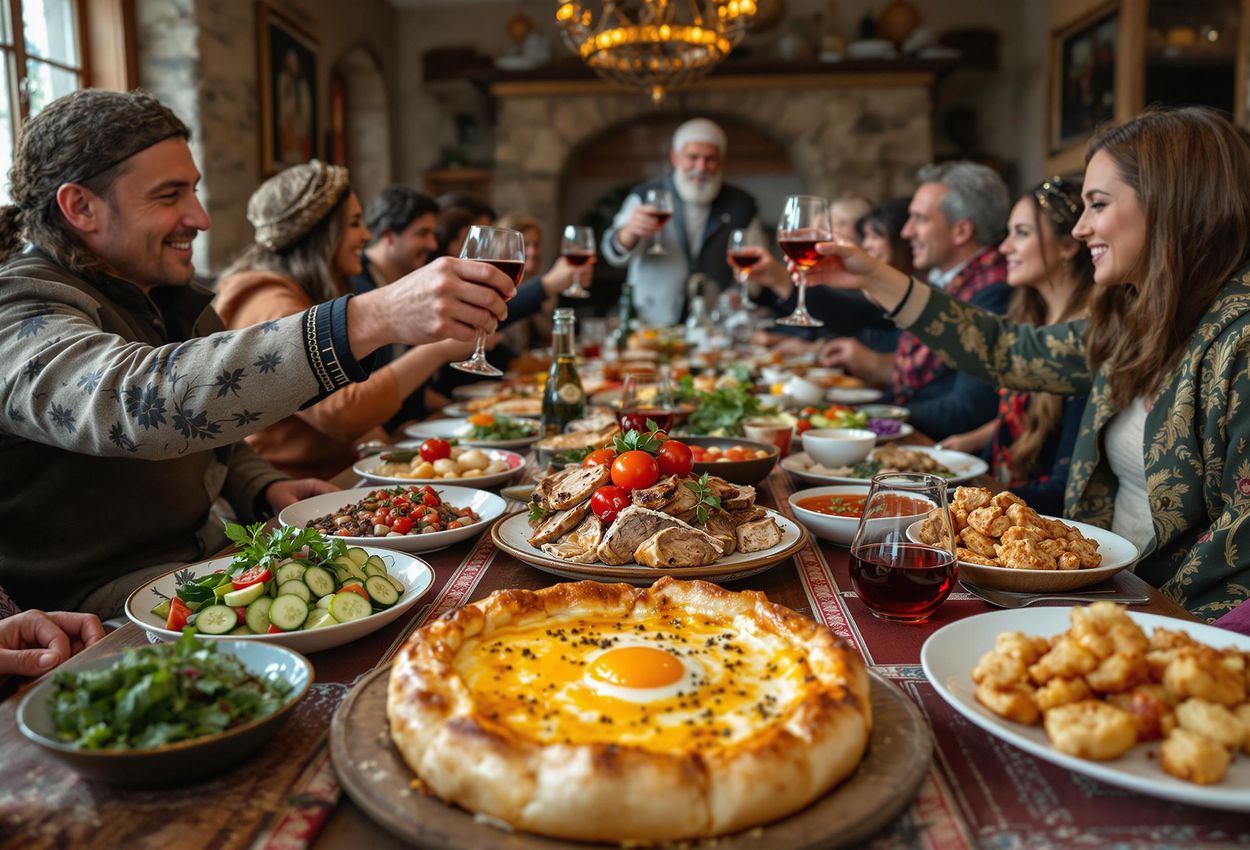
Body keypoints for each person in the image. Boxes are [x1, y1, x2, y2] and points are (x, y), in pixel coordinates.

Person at [0, 90, 515, 616]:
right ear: (80, 206)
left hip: (213, 558)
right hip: (93, 611)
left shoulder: (162, 294)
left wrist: (262, 486)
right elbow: (133, 401)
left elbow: (212, 436)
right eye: (169, 195)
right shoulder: (18, 304)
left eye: (194, 191)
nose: (200, 218)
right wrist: (369, 317)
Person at [801, 106, 1250, 622]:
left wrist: (1155, 628)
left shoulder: (1239, 340)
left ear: (1174, 205)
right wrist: (871, 275)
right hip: (1090, 593)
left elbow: (1238, 560)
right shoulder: (1137, 318)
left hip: (1163, 622)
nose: (1080, 229)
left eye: (1097, 205)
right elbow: (1004, 351)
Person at [215, 162, 477, 479]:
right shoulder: (269, 302)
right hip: (292, 491)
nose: (366, 235)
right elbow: (343, 413)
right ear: (320, 233)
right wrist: (438, 350)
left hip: (334, 474)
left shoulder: (300, 292)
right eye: (354, 223)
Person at [819, 161, 1012, 440]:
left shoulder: (994, 290)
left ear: (961, 231)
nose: (906, 231)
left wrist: (867, 416)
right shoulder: (950, 282)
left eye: (920, 219)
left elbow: (967, 410)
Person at [939, 178, 1095, 516]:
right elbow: (1029, 413)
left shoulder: (1082, 343)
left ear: (1068, 246)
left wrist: (973, 503)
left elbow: (1061, 489)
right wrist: (971, 440)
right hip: (1002, 490)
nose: (1004, 248)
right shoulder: (1032, 314)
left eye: (1021, 233)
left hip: (1035, 523)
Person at [601, 118, 765, 325]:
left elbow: (756, 267)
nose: (701, 167)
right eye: (693, 157)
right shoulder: (644, 196)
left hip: (714, 326)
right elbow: (612, 253)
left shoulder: (741, 205)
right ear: (675, 158)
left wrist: (737, 293)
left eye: (710, 159)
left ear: (721, 162)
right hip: (650, 323)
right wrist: (629, 233)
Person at [353, 185, 440, 295]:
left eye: (433, 234)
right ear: (388, 236)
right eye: (422, 233)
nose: (433, 245)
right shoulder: (353, 286)